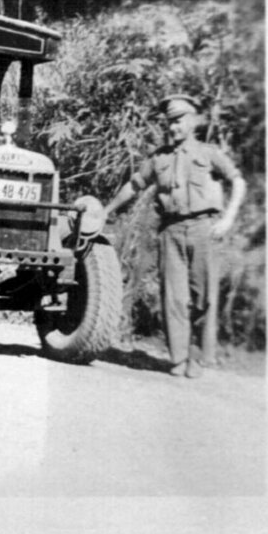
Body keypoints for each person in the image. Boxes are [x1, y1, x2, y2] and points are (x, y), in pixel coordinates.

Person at [105, 94, 246, 378]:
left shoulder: (208, 153)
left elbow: (237, 180)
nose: (173, 127)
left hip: (202, 230)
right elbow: (135, 185)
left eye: (179, 121)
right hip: (170, 231)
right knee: (174, 298)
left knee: (203, 296)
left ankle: (198, 355)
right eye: (170, 122)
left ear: (192, 121)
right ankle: (179, 358)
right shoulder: (160, 158)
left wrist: (229, 217)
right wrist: (107, 208)